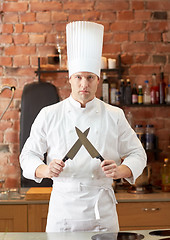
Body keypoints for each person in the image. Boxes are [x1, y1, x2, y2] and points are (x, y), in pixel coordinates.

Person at [20, 21, 147, 232]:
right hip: (63, 215)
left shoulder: (114, 115)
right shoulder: (49, 115)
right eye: (78, 77)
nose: (84, 84)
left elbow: (138, 155)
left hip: (102, 215)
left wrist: (119, 171)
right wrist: (46, 169)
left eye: (90, 78)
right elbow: (27, 157)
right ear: (70, 79)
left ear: (98, 80)